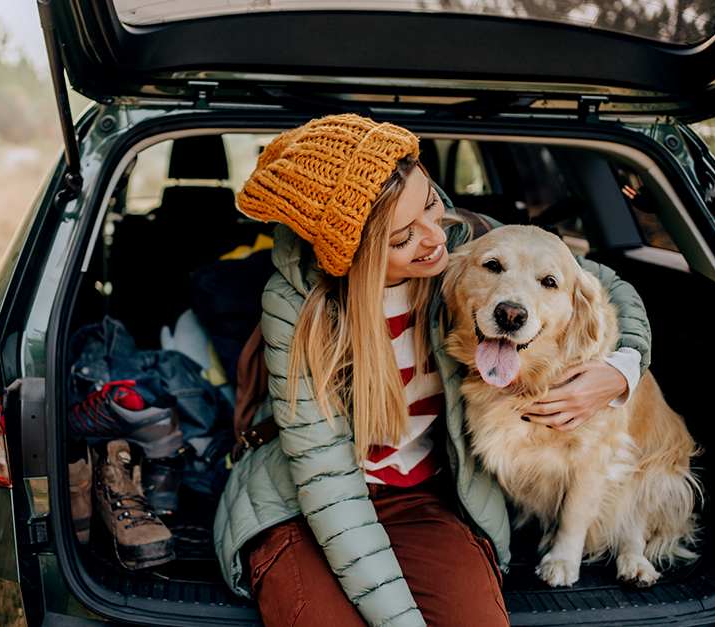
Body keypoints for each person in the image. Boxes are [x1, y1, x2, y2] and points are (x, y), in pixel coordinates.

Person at [212, 114, 649, 627]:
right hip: (308, 500)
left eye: (428, 203)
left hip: (426, 493)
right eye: (401, 239)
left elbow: (605, 284)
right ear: (353, 253)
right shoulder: (295, 306)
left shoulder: (468, 243)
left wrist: (622, 370)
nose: (434, 238)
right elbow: (327, 482)